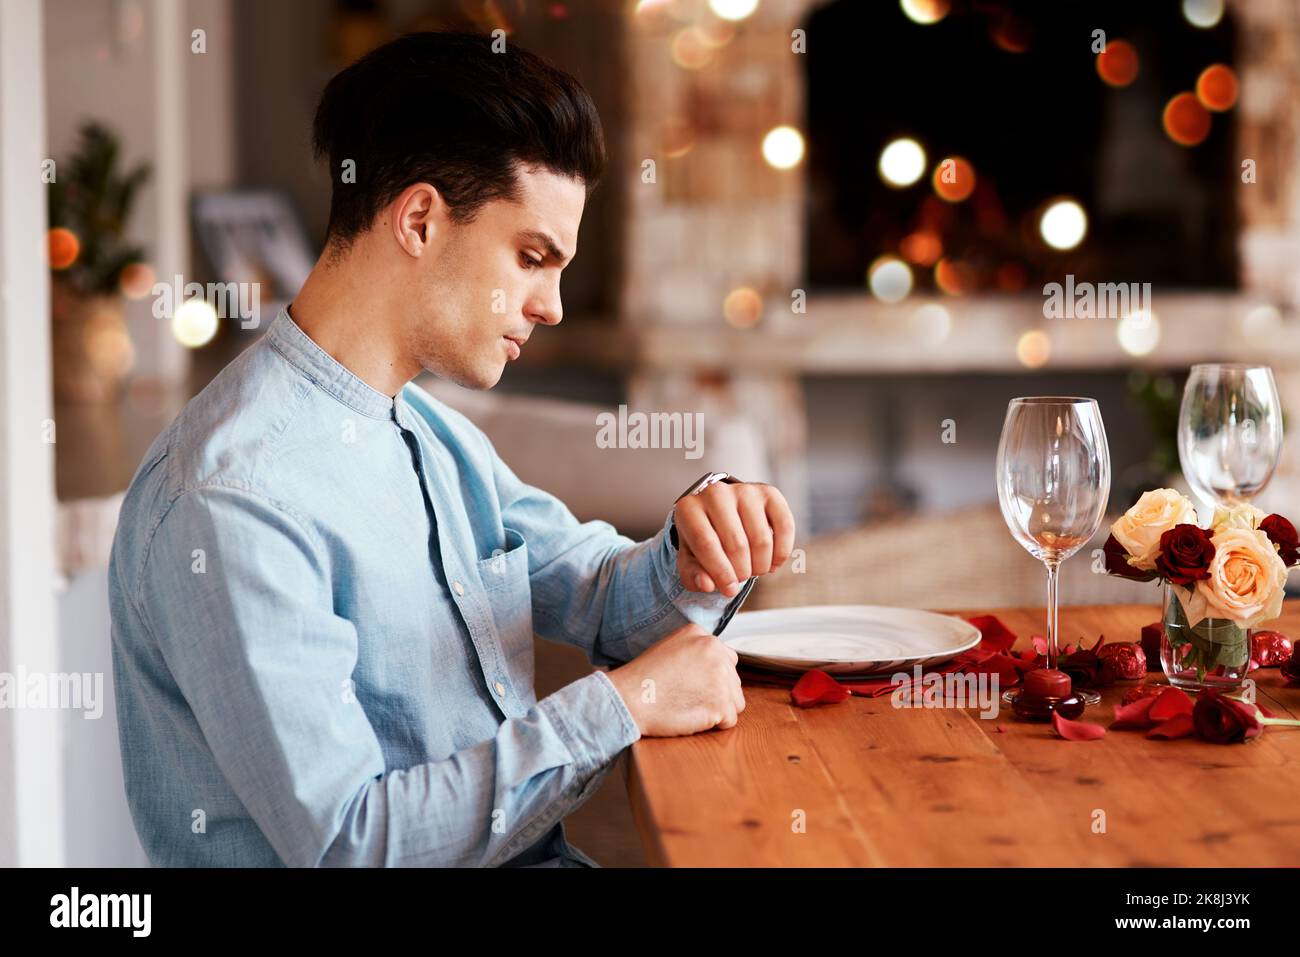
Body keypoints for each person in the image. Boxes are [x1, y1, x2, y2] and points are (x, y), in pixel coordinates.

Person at [108, 31, 795, 867]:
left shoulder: (430, 430)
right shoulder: (232, 497)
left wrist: (696, 545)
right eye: (532, 257)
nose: (552, 306)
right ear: (421, 219)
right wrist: (625, 701)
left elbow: (605, 597)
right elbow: (352, 845)